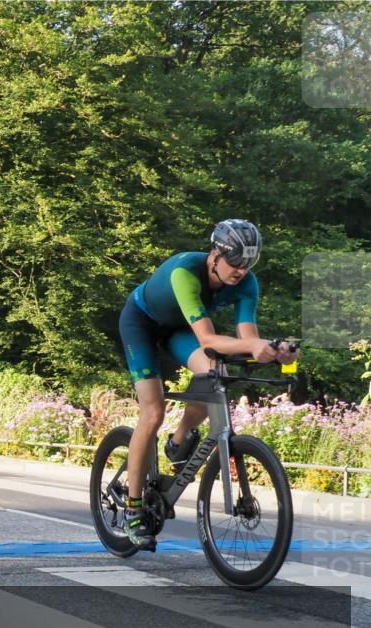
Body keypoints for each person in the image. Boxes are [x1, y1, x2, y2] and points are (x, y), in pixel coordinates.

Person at [118, 220, 298, 550]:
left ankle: (178, 441)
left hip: (178, 330)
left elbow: (248, 339)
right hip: (141, 324)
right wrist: (254, 347)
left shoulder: (247, 283)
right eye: (235, 261)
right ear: (216, 253)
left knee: (214, 373)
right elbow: (207, 337)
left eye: (249, 263)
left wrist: (274, 350)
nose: (241, 270)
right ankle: (133, 509)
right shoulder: (185, 271)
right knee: (153, 412)